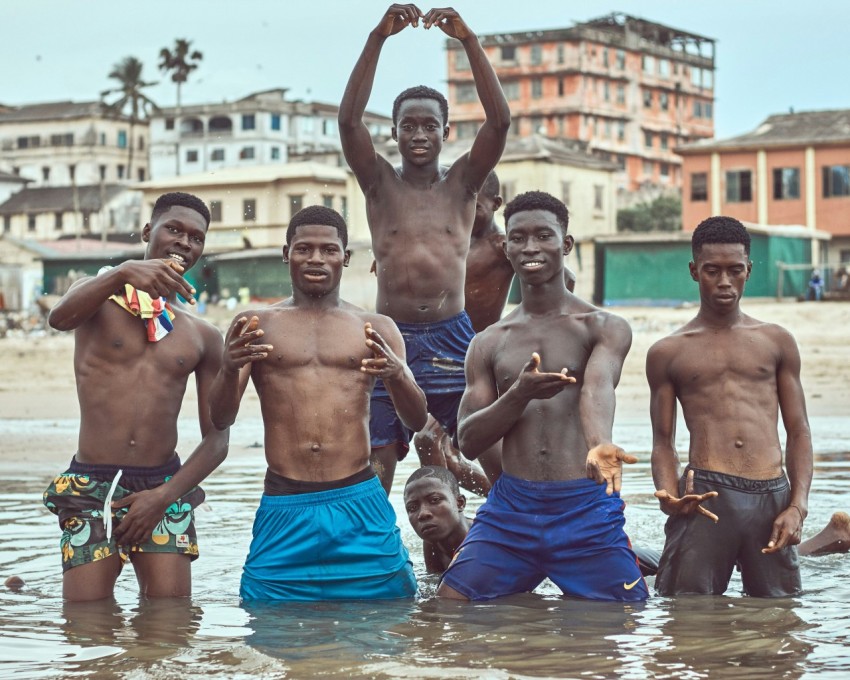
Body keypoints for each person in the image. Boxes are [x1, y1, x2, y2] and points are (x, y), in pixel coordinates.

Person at [437, 191, 647, 602]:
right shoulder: (487, 342)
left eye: (543, 236)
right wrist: (517, 395)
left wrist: (599, 444)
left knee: (624, 620)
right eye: (518, 238)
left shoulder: (602, 327)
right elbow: (468, 440)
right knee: (448, 611)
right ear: (506, 246)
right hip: (511, 509)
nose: (531, 248)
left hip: (584, 506)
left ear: (566, 244)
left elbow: (596, 388)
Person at [208, 205, 426, 601]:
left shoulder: (376, 327)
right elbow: (221, 418)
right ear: (285, 252)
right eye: (304, 248)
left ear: (345, 257)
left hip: (358, 498)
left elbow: (415, 417)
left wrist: (396, 375)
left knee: (389, 619)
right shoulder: (255, 324)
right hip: (284, 501)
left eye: (328, 250)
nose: (316, 259)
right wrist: (227, 368)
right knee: (268, 619)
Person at [338, 4, 511, 492]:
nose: (418, 134)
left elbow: (498, 124)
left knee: (490, 453)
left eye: (429, 125)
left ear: (445, 132)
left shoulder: (463, 185)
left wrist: (469, 41)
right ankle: (375, 554)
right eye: (408, 125)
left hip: (455, 338)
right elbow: (349, 123)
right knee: (377, 460)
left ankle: (507, 542)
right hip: (390, 336)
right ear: (393, 132)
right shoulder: (378, 184)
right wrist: (377, 37)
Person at [43, 192, 228, 602]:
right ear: (148, 231)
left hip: (164, 486)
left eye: (196, 237)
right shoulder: (95, 298)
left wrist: (163, 497)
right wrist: (123, 273)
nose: (184, 242)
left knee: (170, 623)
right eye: (174, 229)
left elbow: (217, 440)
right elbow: (59, 319)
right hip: (91, 485)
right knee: (87, 623)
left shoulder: (202, 335)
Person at [647, 216, 813, 597]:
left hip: (771, 496)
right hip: (705, 496)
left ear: (749, 271)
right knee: (687, 616)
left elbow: (799, 430)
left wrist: (797, 507)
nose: (724, 282)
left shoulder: (776, 341)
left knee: (778, 619)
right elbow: (662, 442)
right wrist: (669, 497)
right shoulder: (668, 352)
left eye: (735, 270)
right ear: (694, 271)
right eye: (712, 271)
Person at [412, 171, 578, 492]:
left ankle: (506, 501)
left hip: (490, 358)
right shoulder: (444, 243)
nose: (460, 210)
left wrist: (543, 329)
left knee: (448, 441)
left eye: (472, 204)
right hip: (448, 359)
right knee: (429, 443)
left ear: (495, 204)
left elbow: (565, 276)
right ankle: (470, 509)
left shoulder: (502, 245)